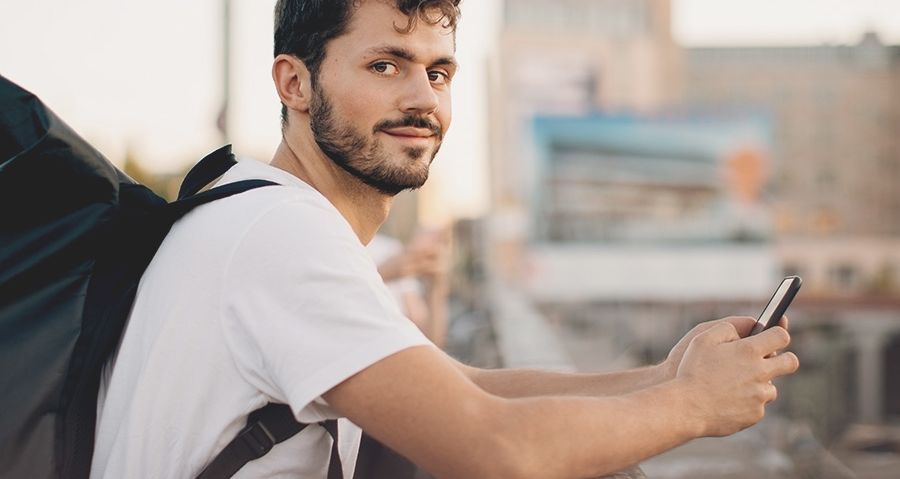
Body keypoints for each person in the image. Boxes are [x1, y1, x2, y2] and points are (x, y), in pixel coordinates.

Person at [90, 1, 800, 478]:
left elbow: (465, 384)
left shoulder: (258, 211)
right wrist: (692, 406)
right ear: (295, 83)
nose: (423, 99)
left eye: (438, 72)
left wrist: (666, 375)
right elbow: (493, 448)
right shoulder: (282, 236)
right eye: (385, 65)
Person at [369, 229, 451, 347]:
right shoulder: (343, 250)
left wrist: (436, 286)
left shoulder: (390, 249)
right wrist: (382, 274)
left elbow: (429, 338)